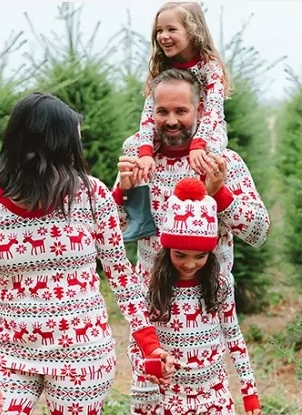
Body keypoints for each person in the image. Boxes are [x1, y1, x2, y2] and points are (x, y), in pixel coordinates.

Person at [0, 92, 174, 415]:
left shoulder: (92, 197)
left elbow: (121, 275)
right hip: (10, 355)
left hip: (82, 356)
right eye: (73, 143)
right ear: (51, 146)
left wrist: (149, 344)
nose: (78, 152)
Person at [113, 68, 270, 414]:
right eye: (162, 111)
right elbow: (112, 235)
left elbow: (258, 232)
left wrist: (220, 195)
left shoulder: (223, 162)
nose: (170, 121)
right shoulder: (139, 157)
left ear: (199, 111)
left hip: (208, 305)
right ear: (150, 111)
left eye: (180, 111)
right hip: (152, 307)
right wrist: (121, 193)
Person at [128, 177, 262, 414]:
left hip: (213, 396)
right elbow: (135, 344)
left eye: (200, 256)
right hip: (167, 399)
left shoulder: (220, 284)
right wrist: (151, 365)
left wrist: (249, 392)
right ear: (167, 248)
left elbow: (234, 337)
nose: (190, 264)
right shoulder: (149, 287)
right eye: (180, 255)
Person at [122, 1, 231, 242]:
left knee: (209, 159)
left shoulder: (210, 68)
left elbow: (213, 109)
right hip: (172, 133)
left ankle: (198, 218)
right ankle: (141, 218)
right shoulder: (163, 67)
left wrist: (199, 145)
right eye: (159, 31)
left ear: (193, 30)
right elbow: (149, 112)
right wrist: (146, 151)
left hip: (207, 131)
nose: (163, 36)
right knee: (132, 147)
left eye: (171, 29)